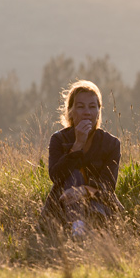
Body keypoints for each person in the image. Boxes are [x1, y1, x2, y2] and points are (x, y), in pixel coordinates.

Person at [41, 80, 123, 237]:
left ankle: (84, 229)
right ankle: (78, 230)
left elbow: (108, 187)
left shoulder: (111, 143)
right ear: (71, 111)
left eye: (92, 107)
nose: (87, 112)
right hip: (63, 204)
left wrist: (83, 191)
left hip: (99, 203)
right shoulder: (59, 139)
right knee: (75, 175)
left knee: (85, 195)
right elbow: (56, 177)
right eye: (80, 107)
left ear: (99, 111)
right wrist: (78, 144)